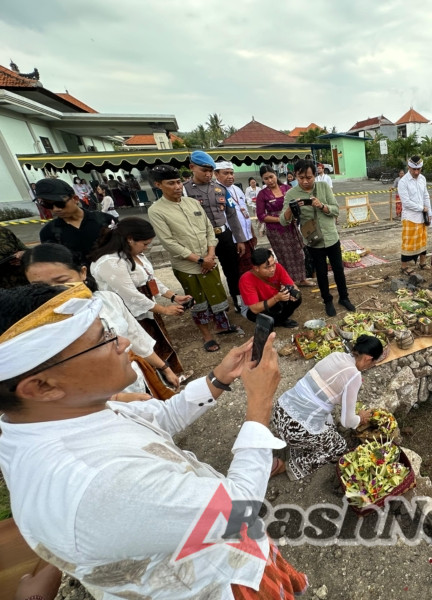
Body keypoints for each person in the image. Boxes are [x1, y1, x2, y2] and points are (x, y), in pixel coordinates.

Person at [0, 283, 307, 600]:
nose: (124, 342)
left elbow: (161, 417)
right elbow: (238, 509)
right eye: (102, 340)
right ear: (41, 386)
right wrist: (260, 405)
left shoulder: (53, 418)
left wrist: (219, 378)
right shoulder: (98, 484)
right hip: (216, 583)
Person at [23, 245, 181, 396]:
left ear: (83, 273)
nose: (53, 290)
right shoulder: (35, 325)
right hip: (94, 402)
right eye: (39, 285)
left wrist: (164, 368)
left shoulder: (108, 300)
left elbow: (135, 337)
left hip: (134, 382)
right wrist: (113, 400)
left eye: (62, 280)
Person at [148, 164, 240, 353]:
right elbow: (169, 243)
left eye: (178, 182)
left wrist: (210, 255)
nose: (177, 187)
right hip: (188, 266)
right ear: (158, 185)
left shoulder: (192, 203)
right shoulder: (156, 210)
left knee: (217, 295)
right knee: (198, 302)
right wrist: (200, 261)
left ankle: (222, 325)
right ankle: (207, 336)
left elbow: (208, 229)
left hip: (209, 259)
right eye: (171, 183)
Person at [272, 334, 382, 480]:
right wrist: (359, 418)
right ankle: (286, 466)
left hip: (279, 412)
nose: (370, 366)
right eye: (373, 363)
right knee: (339, 447)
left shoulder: (336, 355)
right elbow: (347, 422)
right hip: (296, 429)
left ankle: (292, 440)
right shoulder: (354, 375)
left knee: (327, 420)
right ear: (368, 358)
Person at [89, 217, 190, 375]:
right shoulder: (111, 262)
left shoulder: (134, 254)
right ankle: (158, 382)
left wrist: (173, 296)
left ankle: (171, 376)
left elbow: (150, 278)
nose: (147, 248)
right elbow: (130, 295)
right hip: (128, 312)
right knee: (141, 347)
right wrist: (163, 309)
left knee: (156, 341)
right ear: (130, 239)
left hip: (146, 308)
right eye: (145, 244)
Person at [281, 159, 355, 317]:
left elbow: (336, 210)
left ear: (315, 175)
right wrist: (291, 208)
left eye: (309, 177)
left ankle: (344, 298)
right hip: (313, 240)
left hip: (331, 236)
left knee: (338, 270)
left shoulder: (323, 187)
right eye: (301, 178)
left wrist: (321, 206)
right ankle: (327, 301)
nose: (305, 181)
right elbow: (283, 220)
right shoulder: (291, 194)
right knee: (321, 273)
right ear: (295, 176)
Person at [183, 150, 247, 312]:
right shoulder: (185, 191)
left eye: (210, 170)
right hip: (202, 239)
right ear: (192, 167)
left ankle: (238, 300)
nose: (208, 174)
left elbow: (232, 215)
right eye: (204, 170)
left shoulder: (220, 189)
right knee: (207, 271)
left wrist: (239, 239)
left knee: (232, 270)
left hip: (224, 235)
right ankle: (215, 306)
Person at [35, 178, 117, 265]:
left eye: (60, 203)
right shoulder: (48, 233)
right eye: (48, 205)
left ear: (75, 199)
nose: (55, 209)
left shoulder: (106, 220)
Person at [256, 166, 311, 286]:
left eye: (271, 177)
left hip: (292, 227)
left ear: (276, 175)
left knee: (299, 253)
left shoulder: (287, 188)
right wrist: (280, 219)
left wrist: (296, 217)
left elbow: (297, 204)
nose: (270, 180)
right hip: (276, 231)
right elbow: (261, 216)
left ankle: (302, 279)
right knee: (284, 256)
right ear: (262, 180)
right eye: (266, 179)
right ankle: (289, 282)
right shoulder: (262, 194)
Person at [215, 161, 258, 284]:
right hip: (232, 239)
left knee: (251, 267)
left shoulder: (237, 189)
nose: (230, 176)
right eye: (226, 173)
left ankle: (251, 292)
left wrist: (252, 233)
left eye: (232, 173)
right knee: (236, 271)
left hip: (247, 236)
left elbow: (244, 213)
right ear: (216, 174)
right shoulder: (215, 191)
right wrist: (239, 239)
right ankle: (240, 297)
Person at [239, 248, 302, 327]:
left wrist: (293, 293)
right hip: (254, 309)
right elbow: (254, 309)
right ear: (256, 268)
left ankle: (280, 320)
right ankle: (277, 321)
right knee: (261, 316)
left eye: (273, 264)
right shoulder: (246, 279)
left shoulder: (278, 267)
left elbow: (293, 286)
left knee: (297, 298)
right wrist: (276, 298)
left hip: (273, 300)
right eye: (267, 267)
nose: (272, 269)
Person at [398, 156, 431, 274]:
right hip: (410, 217)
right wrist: (422, 208)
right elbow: (406, 203)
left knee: (422, 240)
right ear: (409, 167)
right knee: (408, 242)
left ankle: (423, 263)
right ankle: (404, 266)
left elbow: (426, 196)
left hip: (422, 217)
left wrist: (429, 212)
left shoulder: (422, 179)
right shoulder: (403, 182)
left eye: (419, 170)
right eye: (413, 170)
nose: (416, 172)